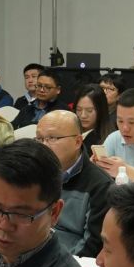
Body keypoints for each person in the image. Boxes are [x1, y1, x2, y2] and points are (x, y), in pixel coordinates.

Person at [38, 108, 112, 258]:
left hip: (68, 263)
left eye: (52, 138)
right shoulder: (33, 174)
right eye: (39, 139)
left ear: (77, 141)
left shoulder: (100, 185)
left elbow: (92, 245)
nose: (44, 145)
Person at [74, 86, 112, 159]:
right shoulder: (69, 132)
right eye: (79, 110)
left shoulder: (108, 139)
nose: (83, 115)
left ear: (101, 110)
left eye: (89, 111)